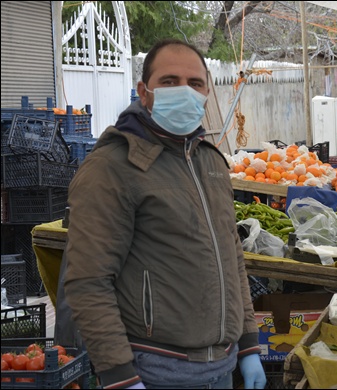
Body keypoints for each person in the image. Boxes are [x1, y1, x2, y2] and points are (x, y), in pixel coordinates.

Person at [63, 39, 266, 389]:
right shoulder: (113, 167)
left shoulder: (211, 162)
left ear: (206, 93)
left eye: (195, 83)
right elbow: (88, 281)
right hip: (154, 374)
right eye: (169, 82)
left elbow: (232, 260)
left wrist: (248, 345)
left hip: (221, 370)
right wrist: (119, 376)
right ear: (144, 92)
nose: (184, 91)